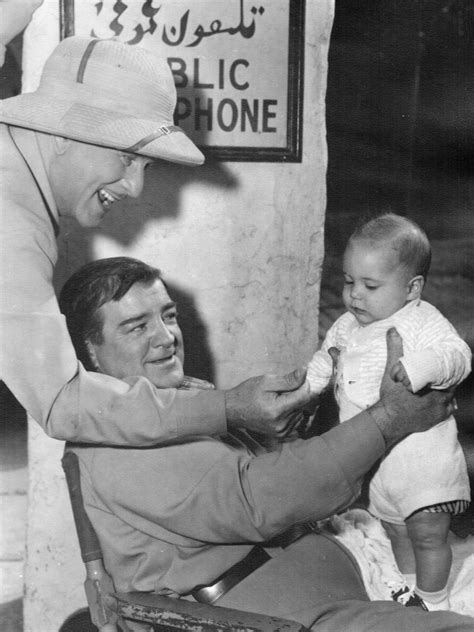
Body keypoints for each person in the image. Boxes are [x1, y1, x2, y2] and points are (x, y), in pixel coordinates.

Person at [59, 256, 474, 631]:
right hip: (275, 617)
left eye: (169, 316)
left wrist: (290, 430)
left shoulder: (173, 400)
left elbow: (250, 482)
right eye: (137, 327)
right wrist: (388, 418)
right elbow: (263, 497)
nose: (166, 337)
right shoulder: (119, 439)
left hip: (323, 585)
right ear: (91, 353)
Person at [0, 35, 309, 446]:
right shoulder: (13, 230)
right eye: (127, 158)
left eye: (144, 165)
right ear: (62, 133)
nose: (135, 187)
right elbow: (64, 405)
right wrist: (227, 408)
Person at [307, 213, 472, 611]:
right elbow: (324, 361)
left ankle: (435, 603)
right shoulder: (346, 326)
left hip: (425, 462)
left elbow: (459, 355)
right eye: (348, 282)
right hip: (380, 466)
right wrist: (306, 388)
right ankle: (409, 593)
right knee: (396, 533)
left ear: (412, 287)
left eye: (370, 285)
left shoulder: (419, 320)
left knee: (429, 535)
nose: (355, 296)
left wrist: (423, 367)